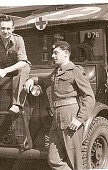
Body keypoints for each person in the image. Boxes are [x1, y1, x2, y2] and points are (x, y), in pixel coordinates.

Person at [25, 41, 95, 170]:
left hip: (70, 115)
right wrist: (32, 79)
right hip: (57, 117)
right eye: (53, 53)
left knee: (74, 158)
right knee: (53, 159)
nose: (53, 56)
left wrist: (79, 119)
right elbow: (45, 80)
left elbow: (89, 97)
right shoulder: (57, 71)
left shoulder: (75, 71)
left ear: (66, 54)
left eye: (56, 53)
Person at [0, 15, 31, 113]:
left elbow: (22, 61)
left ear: (13, 29)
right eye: (2, 28)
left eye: (8, 28)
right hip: (2, 67)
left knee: (24, 69)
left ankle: (16, 104)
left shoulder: (18, 40)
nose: (5, 31)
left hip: (17, 67)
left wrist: (5, 70)